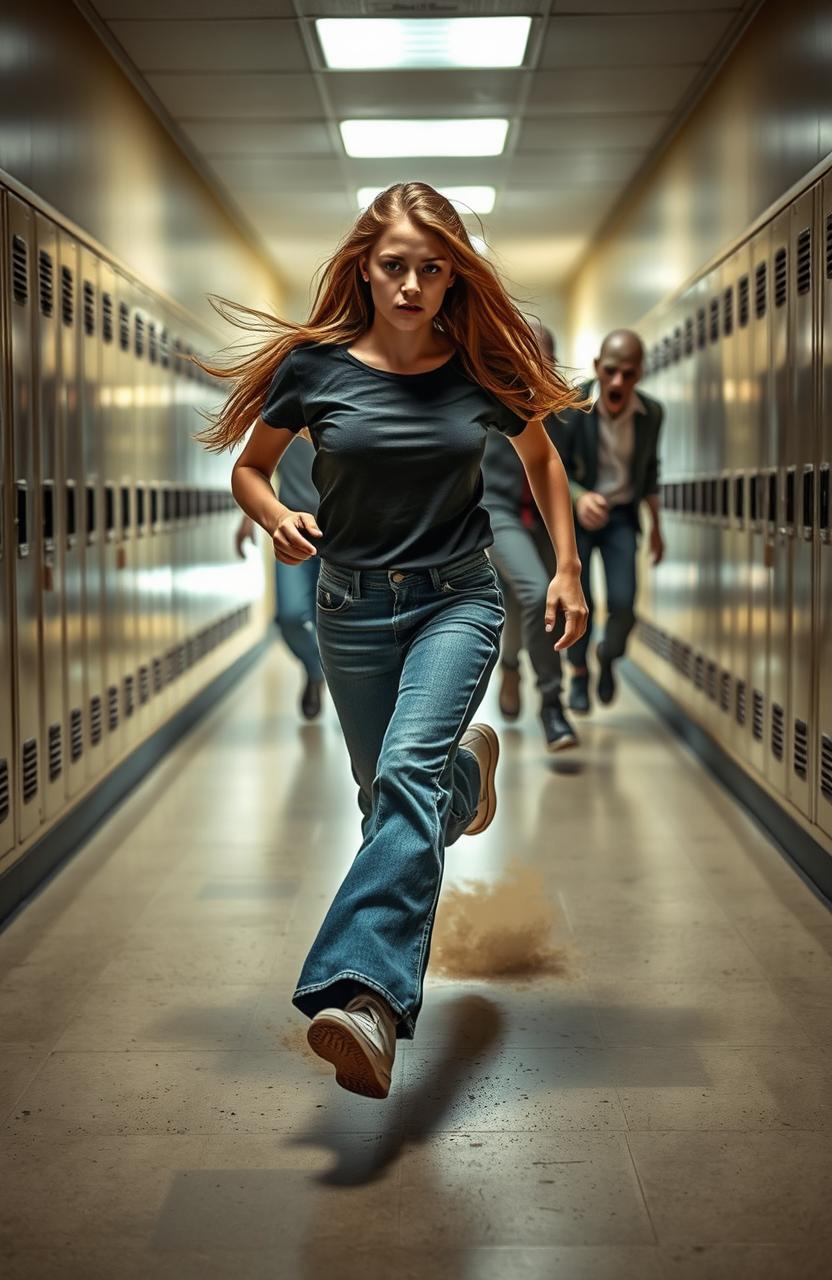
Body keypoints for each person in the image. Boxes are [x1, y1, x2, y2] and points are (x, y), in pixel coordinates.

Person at [198, 182, 587, 1101]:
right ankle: (468, 778)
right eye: (394, 267)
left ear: (455, 276)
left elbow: (543, 463)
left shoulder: (481, 367)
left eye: (432, 268)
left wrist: (566, 569)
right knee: (391, 799)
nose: (412, 284)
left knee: (402, 778)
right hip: (351, 608)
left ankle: (364, 997)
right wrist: (275, 513)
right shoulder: (314, 368)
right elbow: (249, 469)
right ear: (363, 268)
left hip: (458, 599)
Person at [551, 329, 664, 713]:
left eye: (628, 374)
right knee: (579, 603)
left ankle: (608, 656)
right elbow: (552, 469)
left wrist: (657, 529)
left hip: (621, 519)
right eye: (611, 371)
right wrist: (580, 498)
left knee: (623, 602)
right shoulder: (570, 406)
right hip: (579, 519)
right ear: (598, 367)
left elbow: (649, 471)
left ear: (640, 374)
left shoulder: (652, 414)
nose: (618, 382)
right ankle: (579, 673)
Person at [482, 322, 580, 751]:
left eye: (539, 358)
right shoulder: (485, 399)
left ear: (552, 362)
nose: (528, 367)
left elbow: (568, 470)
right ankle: (551, 705)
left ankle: (511, 665)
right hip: (498, 513)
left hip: (543, 519)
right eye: (519, 357)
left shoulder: (567, 409)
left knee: (525, 604)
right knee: (538, 591)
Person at [235, 434, 325, 719]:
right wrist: (249, 519)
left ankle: (338, 683)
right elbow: (260, 466)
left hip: (340, 534)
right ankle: (317, 670)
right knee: (290, 616)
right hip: (292, 533)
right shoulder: (290, 399)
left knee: (331, 621)